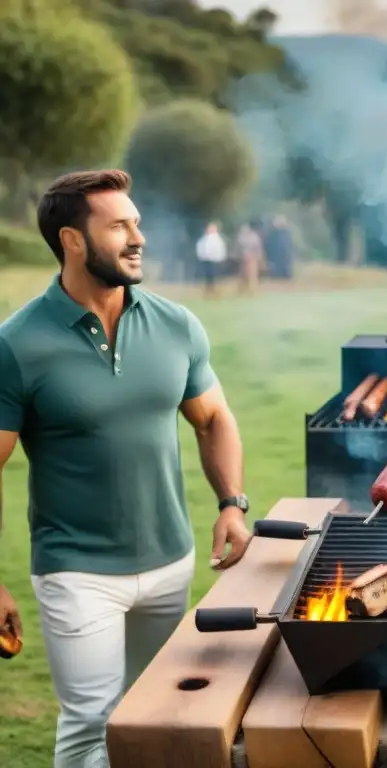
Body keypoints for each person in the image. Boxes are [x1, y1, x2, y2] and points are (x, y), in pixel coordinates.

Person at [0, 169, 253, 768]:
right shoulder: (18, 344)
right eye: (119, 225)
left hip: (170, 562)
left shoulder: (175, 324)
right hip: (76, 572)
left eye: (136, 222)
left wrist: (232, 504)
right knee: (91, 732)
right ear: (73, 240)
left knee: (157, 722)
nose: (137, 237)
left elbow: (214, 417)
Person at [196, 221, 227, 296]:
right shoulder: (204, 239)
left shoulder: (218, 239)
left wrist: (221, 258)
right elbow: (200, 247)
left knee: (215, 276)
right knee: (208, 277)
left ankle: (215, 291)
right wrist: (201, 256)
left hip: (215, 260)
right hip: (206, 260)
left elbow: (221, 250)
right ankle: (208, 291)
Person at [235, 220, 264, 294]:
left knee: (252, 276)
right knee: (243, 275)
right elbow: (240, 245)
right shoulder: (243, 237)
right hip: (245, 259)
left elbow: (257, 247)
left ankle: (252, 291)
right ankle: (242, 290)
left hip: (252, 258)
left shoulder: (254, 236)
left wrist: (258, 256)